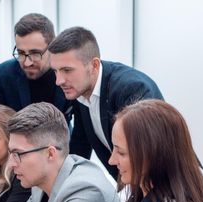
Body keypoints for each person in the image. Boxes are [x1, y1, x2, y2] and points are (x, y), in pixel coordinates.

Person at [48, 26, 163, 179]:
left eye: (67, 70)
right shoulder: (79, 90)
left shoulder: (131, 88)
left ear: (94, 65)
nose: (58, 81)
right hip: (132, 184)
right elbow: (80, 144)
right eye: (55, 71)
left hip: (167, 185)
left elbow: (146, 154)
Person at [0, 13, 70, 117]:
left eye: (35, 53)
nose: (27, 63)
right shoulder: (1, 76)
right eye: (21, 53)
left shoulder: (69, 74)